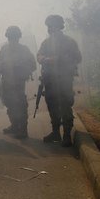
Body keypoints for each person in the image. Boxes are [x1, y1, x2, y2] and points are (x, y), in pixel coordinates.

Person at [37, 14, 82, 147]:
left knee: (65, 106)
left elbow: (78, 58)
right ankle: (55, 132)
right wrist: (45, 59)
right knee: (52, 106)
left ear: (59, 26)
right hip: (50, 80)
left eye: (52, 25)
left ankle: (67, 134)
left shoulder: (69, 42)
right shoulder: (46, 42)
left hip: (64, 80)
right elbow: (39, 56)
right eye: (49, 26)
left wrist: (61, 59)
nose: (50, 28)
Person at [0, 26, 36, 139]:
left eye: (14, 37)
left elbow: (32, 65)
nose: (12, 39)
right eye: (10, 37)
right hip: (6, 82)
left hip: (18, 82)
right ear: (8, 37)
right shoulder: (4, 49)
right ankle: (14, 125)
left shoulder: (24, 50)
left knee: (20, 105)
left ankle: (23, 129)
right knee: (9, 104)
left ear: (18, 37)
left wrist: (21, 68)